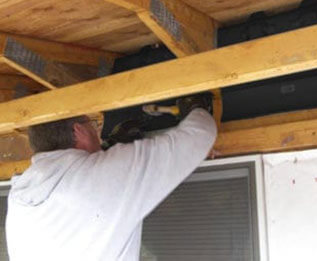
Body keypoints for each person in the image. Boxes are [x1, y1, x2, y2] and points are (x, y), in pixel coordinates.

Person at [6, 98, 217, 261]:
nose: (98, 133)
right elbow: (200, 134)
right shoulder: (100, 178)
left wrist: (112, 150)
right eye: (93, 124)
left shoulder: (20, 195)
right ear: (78, 130)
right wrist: (195, 106)